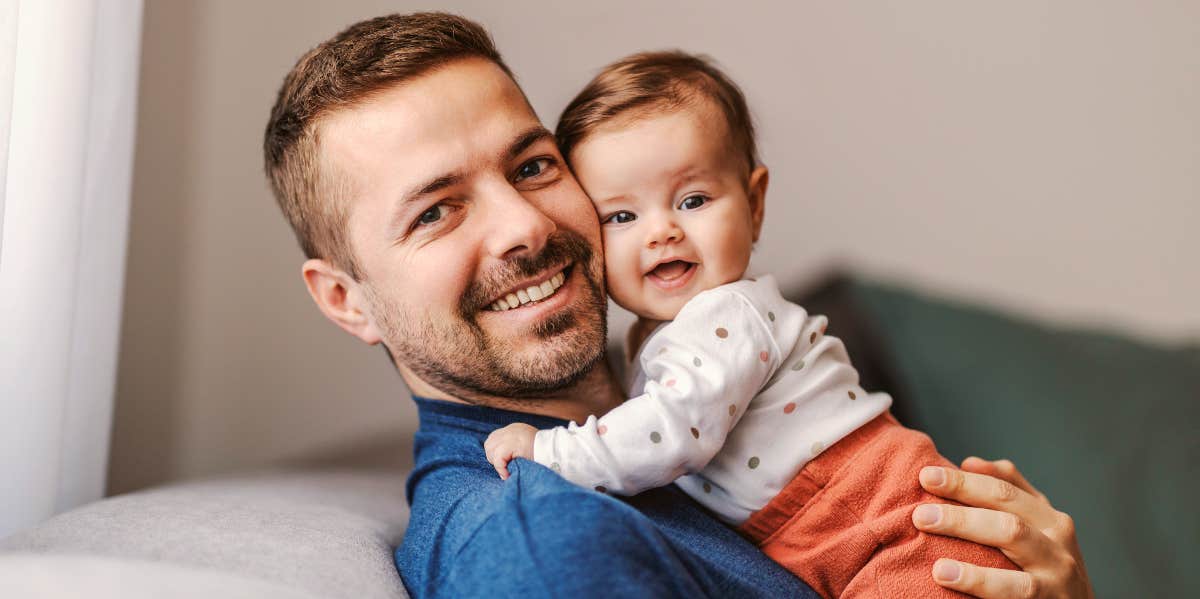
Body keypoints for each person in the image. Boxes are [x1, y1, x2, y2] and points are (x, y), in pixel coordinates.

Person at [262, 11, 1093, 599]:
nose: (523, 224)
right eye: (436, 210)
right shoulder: (546, 545)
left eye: (532, 166)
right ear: (346, 301)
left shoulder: (704, 409)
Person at [483, 51, 1017, 598]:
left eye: (693, 200)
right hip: (827, 527)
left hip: (882, 518)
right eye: (621, 216)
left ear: (754, 203)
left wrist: (549, 452)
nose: (662, 231)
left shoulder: (728, 315)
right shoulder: (664, 334)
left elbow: (671, 434)